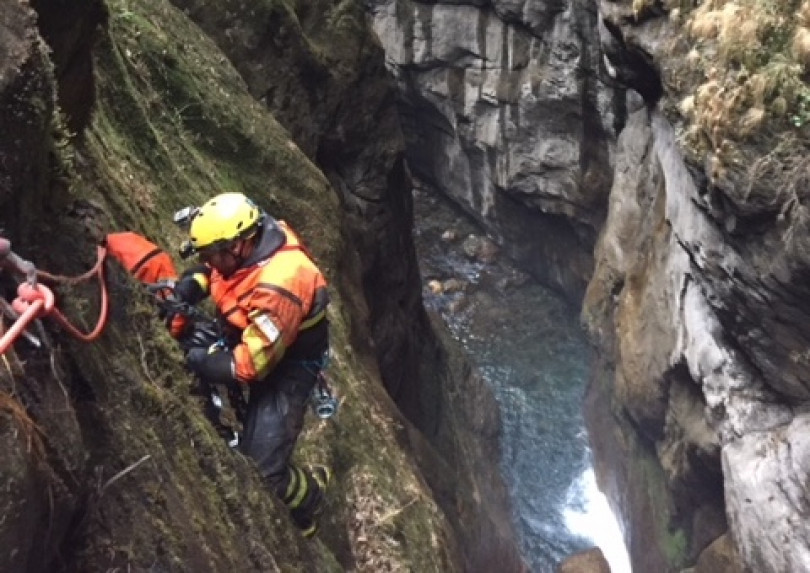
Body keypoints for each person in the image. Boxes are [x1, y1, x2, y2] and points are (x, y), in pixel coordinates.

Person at [171, 191, 331, 537]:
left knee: (263, 471)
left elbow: (250, 366)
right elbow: (216, 275)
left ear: (241, 244)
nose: (210, 262)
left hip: (288, 367)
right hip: (250, 334)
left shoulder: (282, 283)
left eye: (215, 255)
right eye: (205, 254)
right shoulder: (249, 245)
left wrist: (200, 361)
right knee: (186, 338)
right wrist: (187, 288)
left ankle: (310, 496)